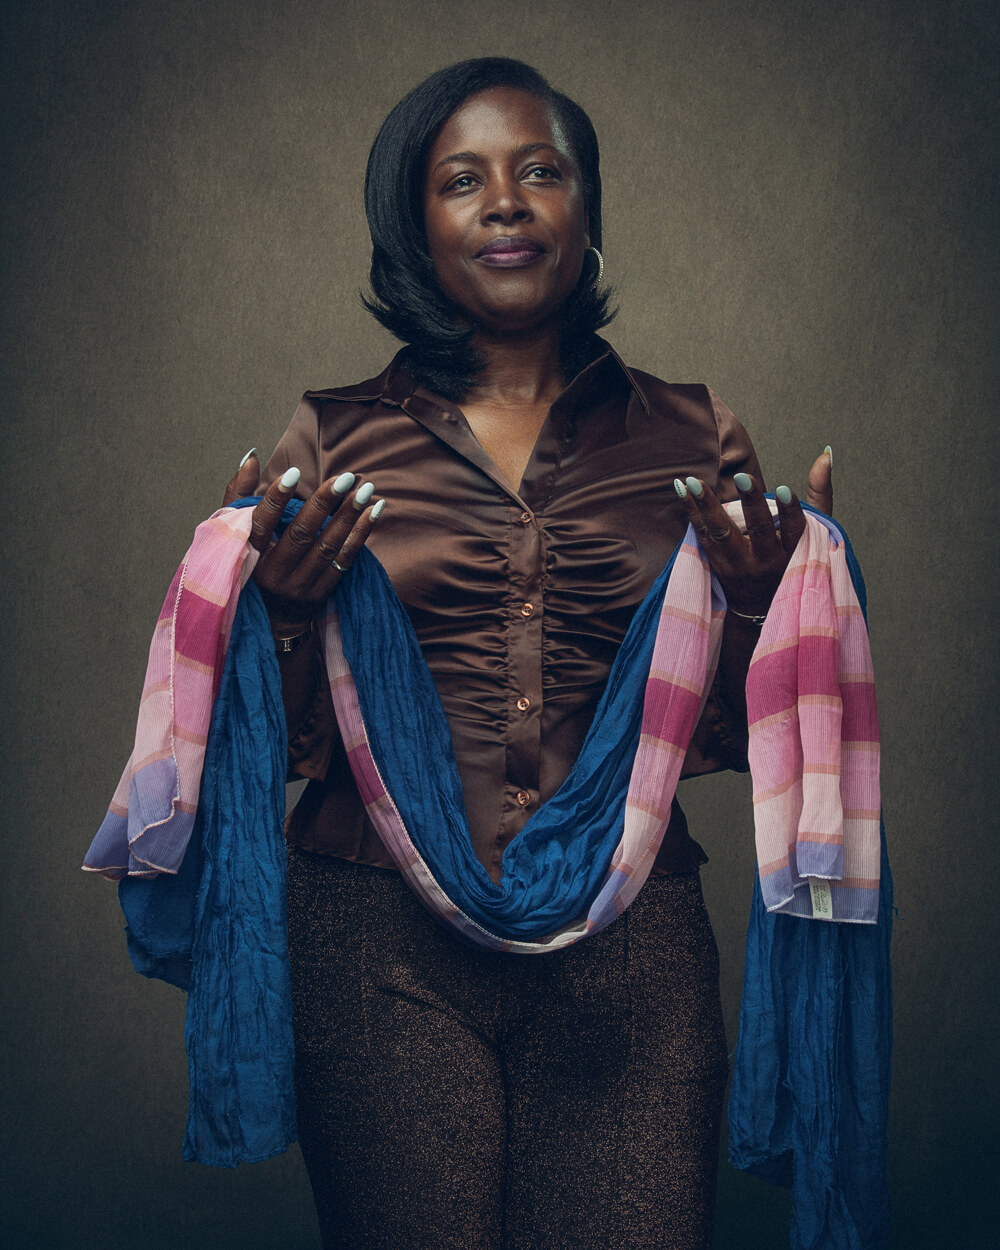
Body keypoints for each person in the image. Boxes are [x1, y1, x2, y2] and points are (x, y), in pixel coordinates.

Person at [222, 58, 833, 1250]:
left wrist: (769, 599)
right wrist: (281, 612)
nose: (505, 201)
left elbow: (724, 739)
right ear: (415, 224)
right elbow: (278, 749)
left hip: (629, 946)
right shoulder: (331, 437)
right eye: (462, 180)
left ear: (585, 210)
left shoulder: (691, 431)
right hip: (377, 944)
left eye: (539, 171)